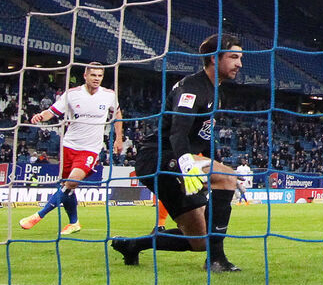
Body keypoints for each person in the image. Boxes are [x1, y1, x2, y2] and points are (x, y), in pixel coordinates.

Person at [111, 34, 244, 272]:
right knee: (225, 178)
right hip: (158, 157)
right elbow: (178, 132)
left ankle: (131, 245)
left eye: (240, 58)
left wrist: (221, 165)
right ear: (214, 58)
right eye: (234, 57)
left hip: (175, 160)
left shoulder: (216, 92)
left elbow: (201, 139)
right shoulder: (191, 88)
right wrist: (197, 166)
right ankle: (216, 261)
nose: (239, 64)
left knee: (199, 240)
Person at [19, 63, 124, 235]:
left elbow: (117, 114)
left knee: (71, 182)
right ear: (85, 76)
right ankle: (74, 222)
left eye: (99, 76)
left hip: (91, 149)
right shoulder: (72, 95)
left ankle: (39, 215)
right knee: (68, 187)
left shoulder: (109, 95)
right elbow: (52, 112)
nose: (96, 79)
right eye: (93, 75)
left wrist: (118, 139)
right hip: (69, 146)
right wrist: (40, 116)